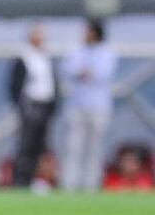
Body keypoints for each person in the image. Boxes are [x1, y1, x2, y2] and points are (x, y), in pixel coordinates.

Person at [61, 19, 117, 192]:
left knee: (95, 148)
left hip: (98, 106)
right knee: (74, 146)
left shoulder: (107, 53)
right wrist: (83, 73)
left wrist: (85, 73)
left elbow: (102, 73)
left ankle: (91, 184)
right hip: (77, 104)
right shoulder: (76, 50)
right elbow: (68, 69)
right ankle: (70, 184)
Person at [9, 22, 59, 188]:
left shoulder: (46, 57)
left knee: (42, 146)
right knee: (26, 145)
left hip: (45, 105)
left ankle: (38, 179)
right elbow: (15, 85)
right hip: (30, 105)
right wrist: (20, 105)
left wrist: (54, 105)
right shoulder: (24, 57)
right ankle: (20, 180)